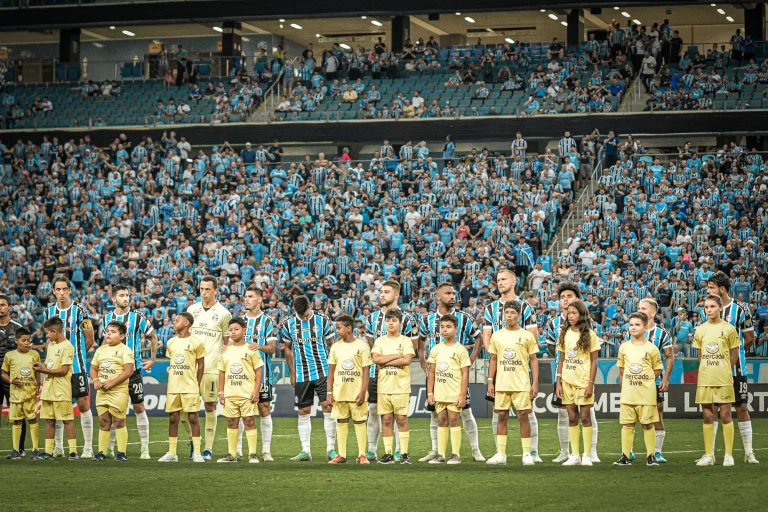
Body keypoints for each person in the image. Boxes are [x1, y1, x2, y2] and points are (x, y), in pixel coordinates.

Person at [418, 282, 484, 463]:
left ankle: (475, 449)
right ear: (438, 297)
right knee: (435, 414)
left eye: (453, 293)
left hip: (456, 376)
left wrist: (471, 359)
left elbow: (478, 337)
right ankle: (436, 450)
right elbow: (421, 340)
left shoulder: (464, 318)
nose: (452, 296)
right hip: (436, 374)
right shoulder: (427, 320)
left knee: (465, 412)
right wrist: (423, 361)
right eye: (447, 293)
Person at [697, 272, 758, 464]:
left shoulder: (741, 309)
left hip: (735, 369)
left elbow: (749, 338)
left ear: (722, 289)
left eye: (712, 288)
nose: (709, 291)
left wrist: (735, 356)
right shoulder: (705, 310)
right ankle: (710, 454)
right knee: (712, 409)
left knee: (741, 406)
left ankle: (748, 452)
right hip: (712, 369)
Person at [483, 269, 541, 461]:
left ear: (514, 282)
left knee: (526, 413)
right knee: (499, 413)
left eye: (504, 279)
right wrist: (496, 356)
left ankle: (532, 451)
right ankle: (500, 452)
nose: (500, 283)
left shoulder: (525, 307)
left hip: (520, 367)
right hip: (500, 366)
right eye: (498, 280)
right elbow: (487, 336)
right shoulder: (490, 309)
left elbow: (533, 337)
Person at [100, 285, 159, 459]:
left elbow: (153, 337)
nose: (126, 298)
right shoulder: (107, 319)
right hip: (112, 372)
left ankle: (145, 449)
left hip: (133, 371)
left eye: (127, 295)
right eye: (122, 295)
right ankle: (109, 448)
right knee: (112, 411)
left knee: (139, 407)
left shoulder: (137, 317)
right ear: (114, 299)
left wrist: (153, 359)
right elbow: (105, 342)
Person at [364, 280, 418, 462]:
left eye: (386, 291)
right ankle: (372, 448)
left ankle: (398, 451)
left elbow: (414, 347)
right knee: (374, 411)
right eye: (381, 291)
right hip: (375, 375)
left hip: (398, 379)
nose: (382, 295)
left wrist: (386, 359)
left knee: (399, 416)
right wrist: (392, 357)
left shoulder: (408, 320)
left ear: (396, 295)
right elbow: (373, 346)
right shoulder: (372, 318)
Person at [546, 283, 599, 462]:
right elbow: (554, 348)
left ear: (577, 299)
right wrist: (560, 376)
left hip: (583, 377)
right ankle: (566, 452)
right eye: (562, 297)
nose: (565, 300)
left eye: (569, 296)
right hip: (563, 376)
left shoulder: (589, 326)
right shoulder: (555, 324)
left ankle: (590, 452)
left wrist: (590, 381)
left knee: (587, 414)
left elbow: (593, 357)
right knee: (567, 414)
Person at [280, 295, 337, 462]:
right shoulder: (288, 324)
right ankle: (305, 451)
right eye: (301, 315)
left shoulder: (323, 320)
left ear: (310, 306)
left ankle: (331, 450)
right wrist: (292, 373)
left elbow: (331, 345)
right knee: (303, 411)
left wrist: (334, 370)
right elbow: (288, 350)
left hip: (323, 371)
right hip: (301, 373)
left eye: (306, 314)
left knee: (328, 407)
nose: (304, 317)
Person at [44, 276, 95, 458]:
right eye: (58, 289)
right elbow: (48, 339)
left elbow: (90, 339)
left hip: (77, 366)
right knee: (56, 406)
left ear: (70, 290)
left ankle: (88, 447)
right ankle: (58, 447)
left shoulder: (80, 311)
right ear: (53, 291)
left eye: (65, 289)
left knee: (82, 403)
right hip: (56, 368)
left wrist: (77, 355)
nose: (62, 293)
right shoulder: (48, 312)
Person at [185, 275, 232, 460]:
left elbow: (227, 343)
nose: (203, 293)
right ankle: (192, 441)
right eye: (201, 289)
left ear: (215, 291)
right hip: (190, 368)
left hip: (212, 367)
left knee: (210, 406)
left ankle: (208, 448)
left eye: (207, 289)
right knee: (186, 409)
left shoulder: (223, 313)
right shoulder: (192, 309)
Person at [693, 294, 740, 467]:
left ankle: (728, 454)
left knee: (726, 415)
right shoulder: (700, 330)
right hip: (705, 378)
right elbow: (700, 355)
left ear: (720, 307)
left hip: (723, 378)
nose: (709, 310)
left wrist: (725, 369)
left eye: (712, 306)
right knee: (707, 416)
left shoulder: (729, 329)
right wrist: (708, 367)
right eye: (706, 307)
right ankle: (708, 455)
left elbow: (734, 355)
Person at [624, 298, 673, 463]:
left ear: (652, 313)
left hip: (653, 382)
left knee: (657, 414)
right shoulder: (630, 332)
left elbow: (669, 357)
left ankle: (657, 452)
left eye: (644, 308)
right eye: (639, 307)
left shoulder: (661, 334)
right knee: (629, 417)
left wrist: (665, 379)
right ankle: (628, 451)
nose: (640, 310)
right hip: (632, 382)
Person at [234, 287, 277, 461]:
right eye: (245, 297)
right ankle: (237, 450)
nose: (246, 299)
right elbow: (232, 343)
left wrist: (259, 346)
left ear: (260, 300)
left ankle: (266, 451)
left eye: (250, 297)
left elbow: (272, 348)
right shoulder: (239, 321)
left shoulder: (267, 322)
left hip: (263, 373)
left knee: (264, 408)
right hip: (241, 375)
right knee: (240, 411)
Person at [614, 312, 663, 467]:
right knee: (627, 425)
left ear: (645, 327)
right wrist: (626, 385)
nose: (633, 327)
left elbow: (657, 370)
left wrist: (646, 381)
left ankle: (651, 456)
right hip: (628, 394)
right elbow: (621, 370)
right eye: (631, 325)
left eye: (637, 324)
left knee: (648, 425)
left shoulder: (652, 348)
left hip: (646, 394)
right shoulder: (624, 347)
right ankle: (625, 456)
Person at [158, 312, 205, 463]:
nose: (174, 322)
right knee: (173, 418)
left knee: (193, 417)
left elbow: (201, 365)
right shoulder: (171, 342)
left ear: (186, 323)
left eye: (177, 320)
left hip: (190, 386)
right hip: (173, 386)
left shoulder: (196, 342)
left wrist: (196, 384)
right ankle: (172, 453)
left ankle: (197, 452)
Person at [216, 317, 264, 463]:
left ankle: (252, 454)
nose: (233, 332)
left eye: (236, 329)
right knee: (231, 422)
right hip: (230, 393)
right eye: (230, 330)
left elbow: (258, 371)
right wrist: (221, 392)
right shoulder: (225, 350)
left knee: (249, 421)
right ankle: (232, 454)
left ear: (244, 331)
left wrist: (256, 391)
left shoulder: (251, 349)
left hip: (247, 393)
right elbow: (222, 372)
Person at [327, 314, 372, 464]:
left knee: (359, 422)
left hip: (356, 393)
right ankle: (341, 455)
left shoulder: (362, 346)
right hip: (340, 392)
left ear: (349, 328)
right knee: (341, 421)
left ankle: (362, 455)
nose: (337, 331)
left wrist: (363, 391)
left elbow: (366, 371)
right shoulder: (335, 347)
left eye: (339, 328)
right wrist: (329, 392)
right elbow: (331, 371)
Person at [372, 309, 414, 464]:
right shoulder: (380, 341)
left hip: (401, 387)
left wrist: (385, 361)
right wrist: (397, 355)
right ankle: (388, 454)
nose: (390, 323)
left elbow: (407, 360)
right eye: (388, 320)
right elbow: (376, 359)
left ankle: (403, 454)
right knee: (387, 420)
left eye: (394, 320)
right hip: (384, 387)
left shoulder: (405, 341)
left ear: (400, 323)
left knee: (402, 419)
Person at [426, 314, 470, 465]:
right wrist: (430, 393)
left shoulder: (461, 350)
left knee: (454, 420)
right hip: (439, 393)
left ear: (456, 330)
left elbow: (465, 374)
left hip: (454, 393)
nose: (445, 330)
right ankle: (441, 455)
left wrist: (462, 395)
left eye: (448, 327)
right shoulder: (436, 349)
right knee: (442, 420)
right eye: (442, 327)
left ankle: (456, 454)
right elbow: (431, 372)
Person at [91, 321, 135, 462]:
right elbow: (93, 368)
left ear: (122, 336)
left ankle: (121, 453)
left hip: (118, 392)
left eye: (113, 331)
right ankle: (101, 452)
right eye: (108, 331)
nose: (109, 333)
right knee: (104, 421)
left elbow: (128, 371)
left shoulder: (126, 351)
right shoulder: (100, 350)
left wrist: (112, 382)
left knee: (118, 422)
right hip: (102, 392)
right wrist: (96, 380)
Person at [36, 317, 79, 460]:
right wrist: (41, 368)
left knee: (67, 420)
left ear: (54, 331)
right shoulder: (51, 345)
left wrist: (43, 370)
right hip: (49, 388)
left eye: (48, 333)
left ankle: (73, 452)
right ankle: (48, 452)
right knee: (49, 420)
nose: (47, 336)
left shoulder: (67, 347)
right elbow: (49, 366)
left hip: (61, 389)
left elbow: (64, 370)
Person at [1, 327, 40, 459]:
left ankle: (35, 450)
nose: (26, 343)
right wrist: (12, 381)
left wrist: (38, 385)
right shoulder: (9, 356)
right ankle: (16, 450)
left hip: (30, 394)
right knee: (17, 422)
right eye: (23, 340)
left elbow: (37, 371)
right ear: (16, 340)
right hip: (16, 395)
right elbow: (3, 374)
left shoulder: (34, 354)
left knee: (32, 419)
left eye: (28, 341)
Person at [0, 294, 28, 457]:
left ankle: (19, 449)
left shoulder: (18, 328)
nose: (0, 307)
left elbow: (26, 350)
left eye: (3, 305)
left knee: (17, 411)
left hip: (12, 375)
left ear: (9, 307)